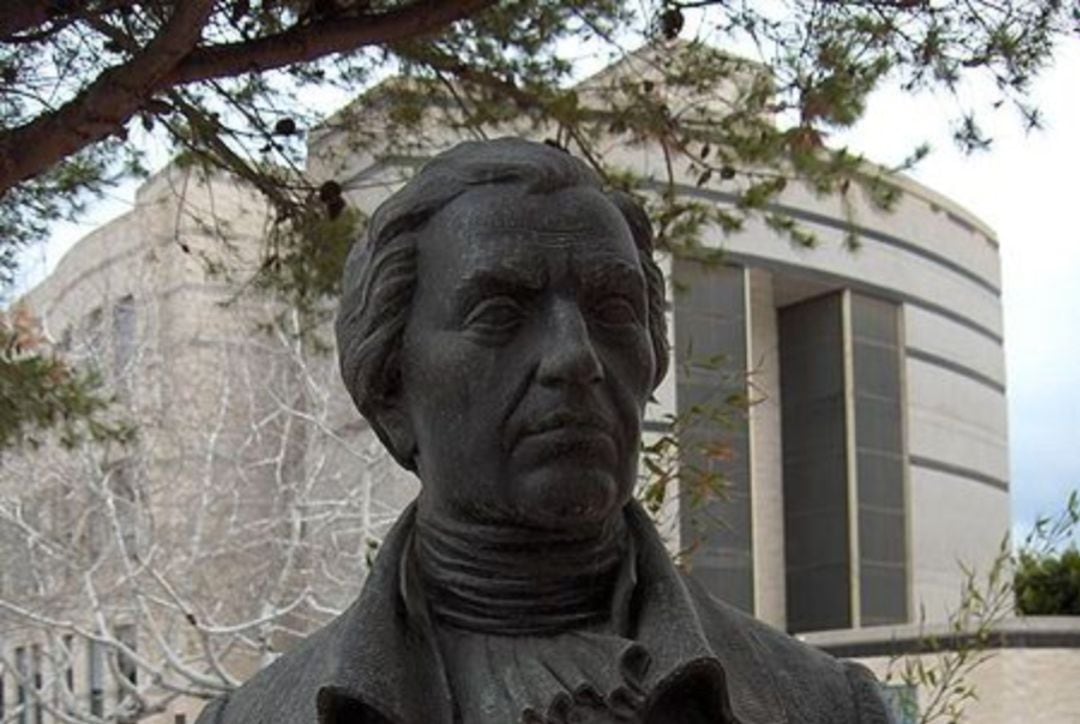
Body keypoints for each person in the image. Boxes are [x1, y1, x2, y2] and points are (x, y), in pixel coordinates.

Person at [196, 138, 891, 723]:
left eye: (612, 309)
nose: (574, 358)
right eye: (498, 312)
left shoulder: (832, 709)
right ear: (390, 391)